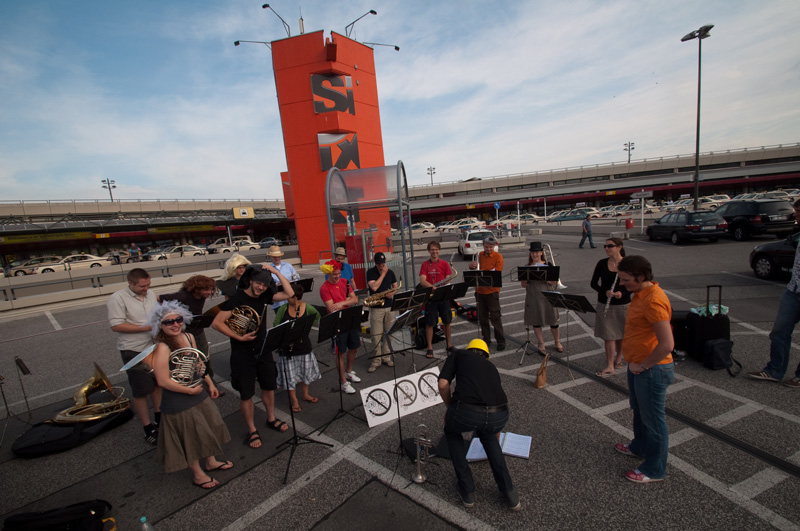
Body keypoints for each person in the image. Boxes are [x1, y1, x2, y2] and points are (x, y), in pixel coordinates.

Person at [149, 300, 232, 490]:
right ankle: (198, 474)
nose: (175, 324)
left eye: (178, 319)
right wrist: (189, 390)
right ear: (160, 326)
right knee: (189, 437)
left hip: (196, 391)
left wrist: (210, 383)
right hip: (179, 399)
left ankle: (210, 462)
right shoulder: (162, 348)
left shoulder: (188, 337)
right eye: (168, 322)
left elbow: (198, 364)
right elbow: (162, 381)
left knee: (206, 428)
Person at [211, 265, 294, 449]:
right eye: (258, 283)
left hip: (263, 349)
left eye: (265, 285)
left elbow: (289, 293)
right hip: (243, 353)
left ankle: (271, 418)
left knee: (268, 387)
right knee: (246, 393)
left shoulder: (264, 296)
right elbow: (216, 323)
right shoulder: (237, 298)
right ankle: (251, 429)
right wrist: (238, 336)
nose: (261, 288)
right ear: (250, 281)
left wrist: (276, 272)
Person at [438, 339, 520, 511]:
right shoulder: (491, 367)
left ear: (469, 350)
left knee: (451, 432)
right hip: (501, 414)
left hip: (467, 411)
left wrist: (450, 408)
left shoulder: (458, 354)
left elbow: (443, 384)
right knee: (489, 437)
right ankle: (510, 493)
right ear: (486, 357)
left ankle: (467, 490)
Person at [615, 255, 675, 483]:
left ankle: (654, 468)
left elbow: (667, 344)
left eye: (626, 279)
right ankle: (638, 447)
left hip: (652, 370)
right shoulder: (640, 294)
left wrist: (644, 365)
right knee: (639, 412)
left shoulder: (653, 300)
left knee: (653, 421)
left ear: (641, 276)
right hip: (638, 366)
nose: (622, 284)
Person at [748, 198, 800, 388]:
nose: (795, 215)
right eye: (795, 211)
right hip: (793, 290)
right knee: (779, 331)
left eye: (798, 212)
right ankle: (774, 370)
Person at [107, 268, 161, 445]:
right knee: (141, 391)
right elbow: (116, 325)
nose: (146, 289)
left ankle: (159, 419)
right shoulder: (117, 298)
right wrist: (146, 328)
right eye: (142, 287)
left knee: (158, 385)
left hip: (155, 347)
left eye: (148, 285)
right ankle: (147, 428)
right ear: (130, 284)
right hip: (134, 350)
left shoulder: (151, 294)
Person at [274, 284, 322, 411]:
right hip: (287, 350)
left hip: (303, 347)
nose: (286, 298)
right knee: (290, 376)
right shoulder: (283, 309)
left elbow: (318, 319)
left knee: (305, 372)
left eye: (289, 297)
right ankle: (294, 400)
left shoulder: (308, 308)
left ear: (295, 297)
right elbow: (275, 325)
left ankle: (305, 394)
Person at [160, 275, 219, 379]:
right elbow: (158, 298)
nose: (209, 292)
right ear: (196, 290)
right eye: (206, 289)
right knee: (190, 360)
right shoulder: (183, 296)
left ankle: (210, 382)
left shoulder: (202, 296)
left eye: (210, 289)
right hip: (185, 333)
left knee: (204, 357)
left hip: (198, 330)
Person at [590, 237, 631, 376]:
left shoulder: (627, 264)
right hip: (605, 304)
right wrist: (605, 291)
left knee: (620, 334)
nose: (607, 249)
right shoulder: (602, 263)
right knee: (609, 336)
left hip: (622, 304)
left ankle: (619, 358)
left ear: (619, 247)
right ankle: (609, 365)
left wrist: (622, 293)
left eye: (610, 246)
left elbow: (633, 283)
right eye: (605, 246)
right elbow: (593, 283)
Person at [320, 259, 361, 394]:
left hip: (350, 318)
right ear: (328, 274)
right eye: (334, 274)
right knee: (341, 352)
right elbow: (332, 308)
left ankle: (349, 371)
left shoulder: (345, 282)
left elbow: (355, 299)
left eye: (338, 273)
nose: (337, 276)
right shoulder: (324, 288)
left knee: (354, 347)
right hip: (337, 322)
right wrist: (346, 302)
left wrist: (341, 303)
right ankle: (343, 381)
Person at [521, 241, 562, 355]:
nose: (534, 255)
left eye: (537, 252)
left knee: (553, 320)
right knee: (536, 320)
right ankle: (541, 343)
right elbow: (523, 285)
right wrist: (525, 278)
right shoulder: (527, 267)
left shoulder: (548, 265)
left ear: (541, 253)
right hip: (533, 295)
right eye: (532, 253)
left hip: (547, 294)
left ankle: (557, 341)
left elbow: (555, 283)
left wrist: (543, 278)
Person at [418, 241, 455, 358]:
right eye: (432, 250)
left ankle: (449, 344)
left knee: (447, 322)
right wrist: (432, 287)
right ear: (429, 251)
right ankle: (430, 347)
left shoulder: (444, 264)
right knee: (430, 323)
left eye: (436, 249)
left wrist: (443, 284)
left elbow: (448, 279)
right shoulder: (424, 265)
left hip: (443, 296)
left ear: (439, 250)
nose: (434, 252)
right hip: (431, 297)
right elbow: (422, 281)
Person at [468, 235, 505, 350]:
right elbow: (475, 271)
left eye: (490, 247)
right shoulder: (479, 255)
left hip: (492, 292)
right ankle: (486, 340)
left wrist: (482, 272)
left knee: (495, 317)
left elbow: (496, 273)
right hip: (479, 291)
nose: (488, 249)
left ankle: (500, 341)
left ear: (494, 246)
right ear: (483, 245)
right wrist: (472, 267)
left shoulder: (498, 257)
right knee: (483, 318)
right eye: (486, 246)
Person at [365, 252, 398, 372]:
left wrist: (392, 293)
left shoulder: (391, 272)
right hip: (376, 308)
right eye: (379, 264)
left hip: (389, 306)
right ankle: (376, 360)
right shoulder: (371, 272)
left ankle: (386, 357)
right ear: (375, 263)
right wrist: (383, 274)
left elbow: (395, 285)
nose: (381, 266)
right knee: (376, 336)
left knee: (390, 333)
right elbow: (374, 287)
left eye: (383, 263)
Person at [265, 245, 298, 311]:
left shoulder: (288, 266)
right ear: (270, 257)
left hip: (292, 300)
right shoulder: (267, 270)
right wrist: (277, 285)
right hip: (278, 303)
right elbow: (266, 287)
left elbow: (297, 279)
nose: (277, 258)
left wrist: (291, 282)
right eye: (275, 257)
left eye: (278, 257)